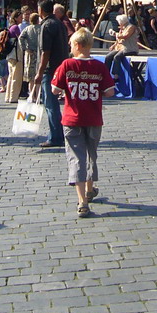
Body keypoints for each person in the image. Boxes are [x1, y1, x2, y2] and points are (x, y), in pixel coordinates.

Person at [51, 28, 116, 218]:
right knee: (91, 155)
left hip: (72, 117)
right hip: (94, 118)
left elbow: (55, 89)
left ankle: (82, 201)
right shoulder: (99, 66)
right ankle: (89, 188)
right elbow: (110, 91)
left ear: (78, 45)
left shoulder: (67, 64)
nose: (70, 48)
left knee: (76, 157)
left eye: (71, 44)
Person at [33, 0, 70, 150]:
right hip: (61, 66)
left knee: (50, 104)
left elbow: (45, 52)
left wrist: (39, 72)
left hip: (49, 69)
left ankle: (55, 136)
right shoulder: (60, 24)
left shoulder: (46, 25)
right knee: (56, 103)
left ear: (41, 10)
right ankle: (59, 134)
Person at [103, 14, 139, 79]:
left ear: (121, 21)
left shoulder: (131, 27)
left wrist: (115, 34)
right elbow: (119, 39)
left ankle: (116, 76)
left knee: (117, 57)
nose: (118, 23)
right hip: (120, 48)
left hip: (129, 48)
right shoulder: (122, 28)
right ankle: (106, 74)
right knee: (108, 57)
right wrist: (114, 45)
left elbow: (125, 36)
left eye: (118, 21)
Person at [19, 12, 41, 96]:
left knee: (31, 77)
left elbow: (20, 38)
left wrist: (24, 48)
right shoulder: (41, 28)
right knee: (39, 75)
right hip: (39, 53)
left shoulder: (27, 29)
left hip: (30, 53)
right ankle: (38, 94)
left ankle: (32, 95)